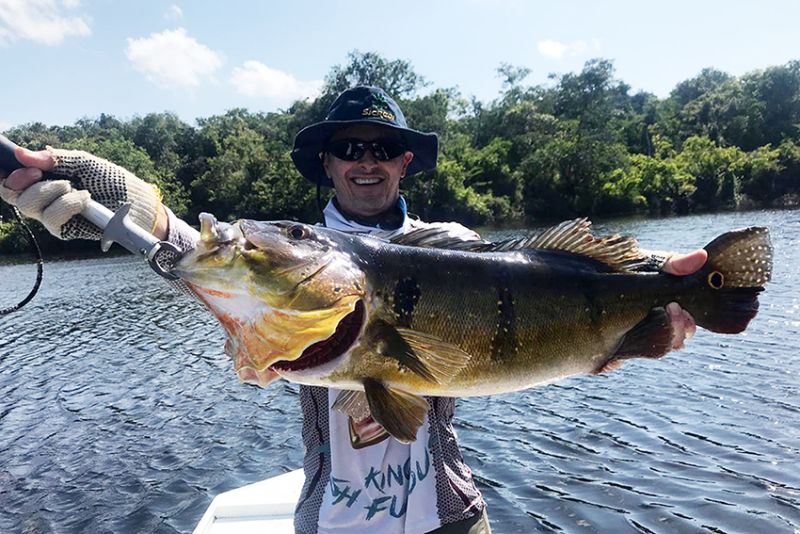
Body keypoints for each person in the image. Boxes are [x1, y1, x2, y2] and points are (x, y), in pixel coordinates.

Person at [0, 86, 705, 533]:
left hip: (452, 516)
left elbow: (552, 289)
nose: (366, 160)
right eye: (349, 149)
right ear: (329, 165)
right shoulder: (283, 263)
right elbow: (189, 249)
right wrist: (108, 200)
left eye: (384, 148)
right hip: (329, 519)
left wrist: (655, 303)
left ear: (405, 164)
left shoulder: (454, 248)